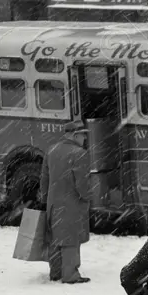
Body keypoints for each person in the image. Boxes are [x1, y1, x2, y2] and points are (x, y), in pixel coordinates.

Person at [38, 120, 91, 284]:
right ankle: (70, 275)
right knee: (71, 239)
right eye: (83, 135)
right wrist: (87, 197)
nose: (84, 139)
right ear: (75, 135)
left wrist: (45, 198)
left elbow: (44, 178)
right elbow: (81, 183)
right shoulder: (79, 153)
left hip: (53, 202)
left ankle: (55, 272)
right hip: (72, 202)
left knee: (55, 238)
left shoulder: (51, 150)